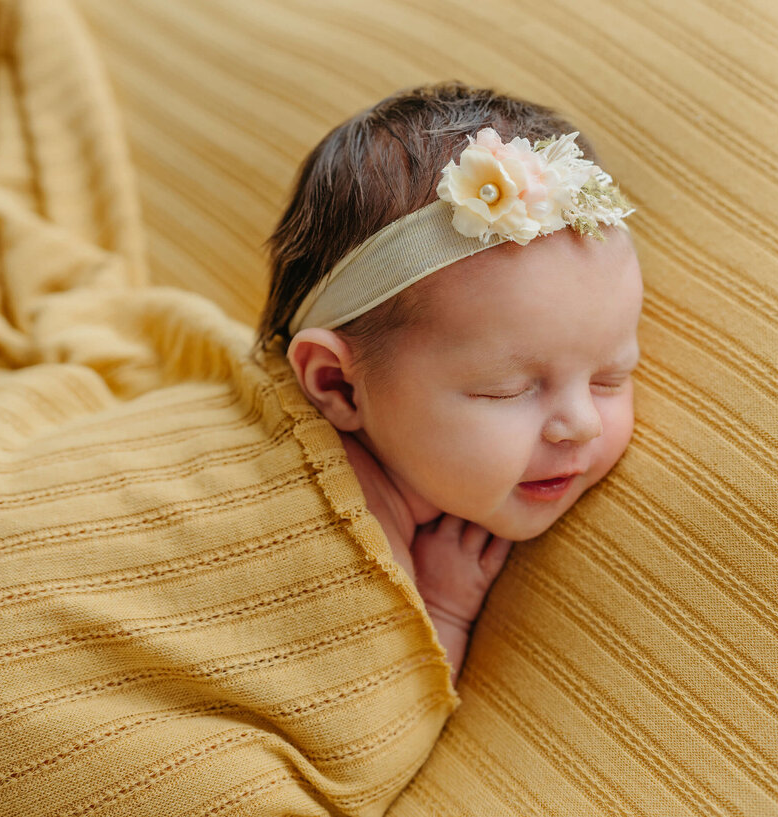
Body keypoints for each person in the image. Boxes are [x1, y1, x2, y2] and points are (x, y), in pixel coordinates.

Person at [257, 81, 644, 685]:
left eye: (610, 377)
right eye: (506, 389)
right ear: (336, 385)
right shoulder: (348, 539)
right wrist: (439, 612)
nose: (583, 423)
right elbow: (369, 712)